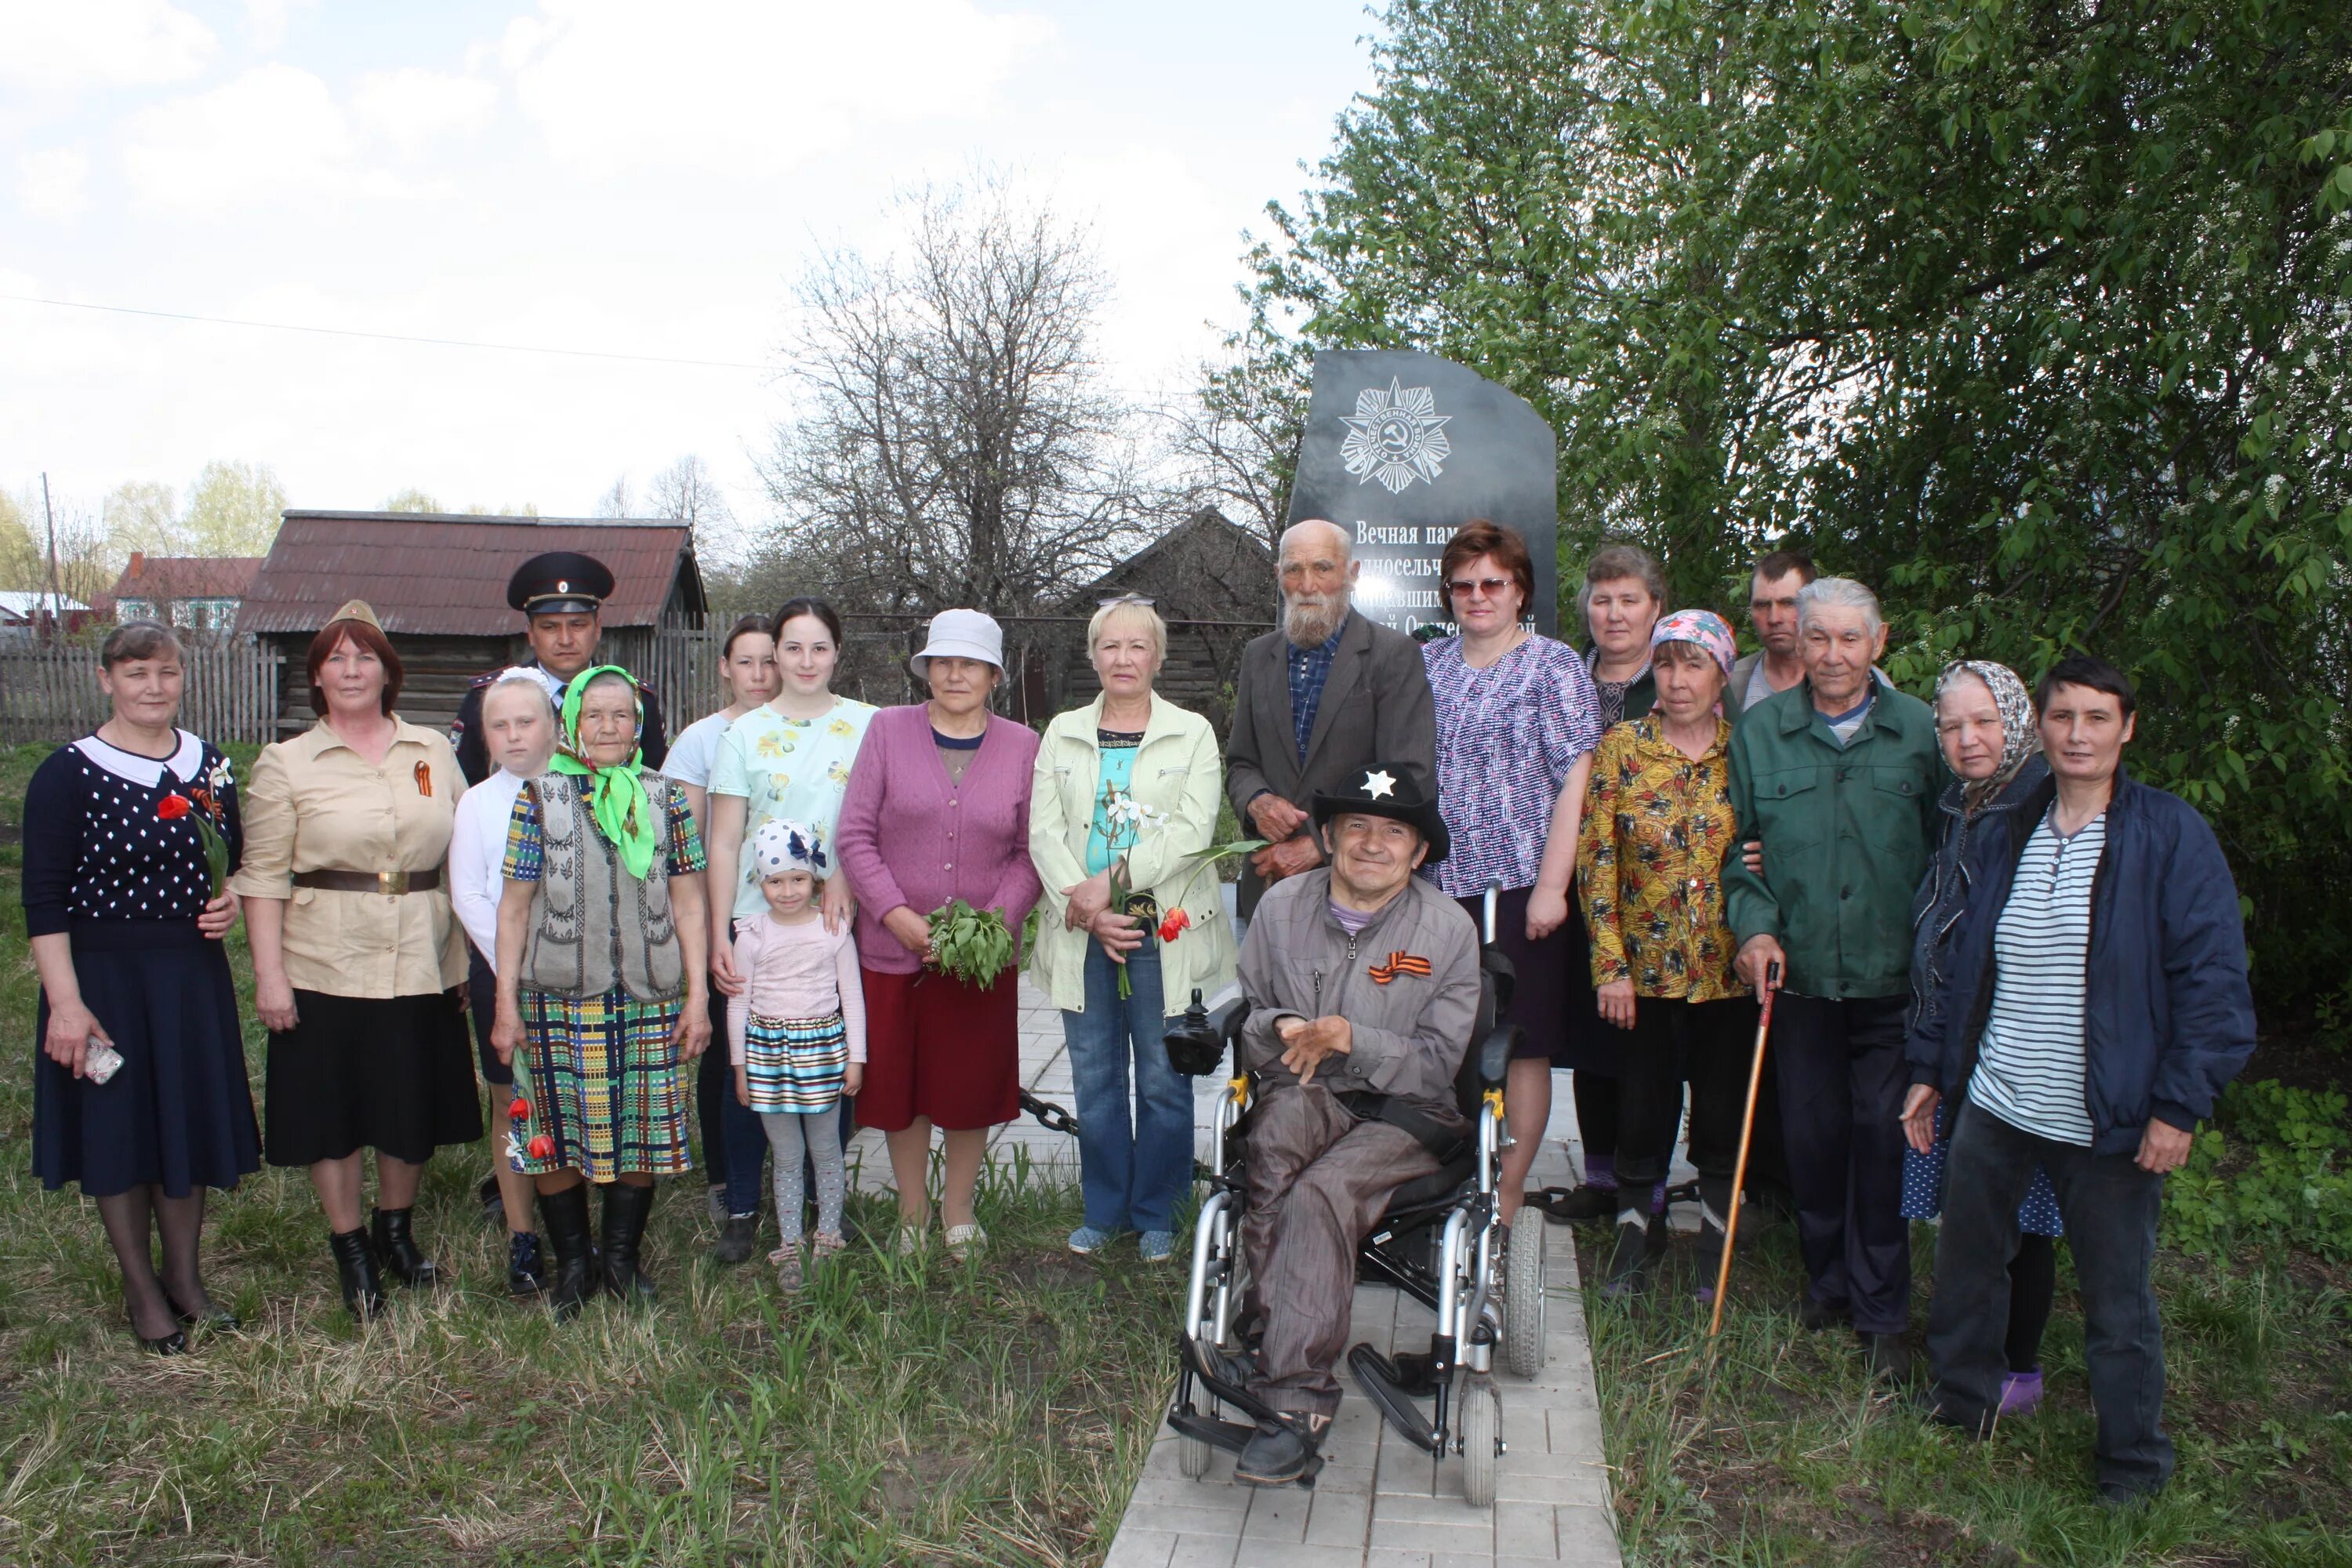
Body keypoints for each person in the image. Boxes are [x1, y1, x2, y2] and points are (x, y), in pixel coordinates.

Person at [1911, 655, 2255, 1505]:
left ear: (2126, 728)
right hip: (1997, 1097)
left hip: (2109, 1116)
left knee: (2118, 1303)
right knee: (1967, 1268)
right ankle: (1963, 1405)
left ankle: (2132, 1464)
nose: (2077, 733)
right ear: (2045, 725)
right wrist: (1932, 1071)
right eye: (2063, 716)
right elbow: (1965, 966)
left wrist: (2179, 1104)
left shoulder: (2168, 835)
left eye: (2097, 718)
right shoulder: (2010, 828)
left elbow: (2214, 984)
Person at [1225, 764, 1481, 1486]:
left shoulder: (1447, 930)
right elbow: (1249, 1015)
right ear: (1330, 836)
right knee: (1273, 1146)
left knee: (1322, 1191)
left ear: (1419, 852)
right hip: (1305, 1086)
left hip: (1407, 1112)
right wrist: (1286, 1025)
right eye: (1358, 828)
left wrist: (1353, 1037)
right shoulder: (1280, 911)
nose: (1373, 845)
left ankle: (1294, 1406)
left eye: (1393, 832)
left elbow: (1437, 1067)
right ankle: (1273, 1333)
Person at [234, 601, 480, 1319]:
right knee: (332, 1113)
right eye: (336, 658)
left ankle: (394, 1232)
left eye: (364, 656)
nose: (351, 669)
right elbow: (262, 877)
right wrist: (270, 977)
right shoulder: (287, 763)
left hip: (421, 957)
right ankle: (350, 1248)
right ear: (315, 675)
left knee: (408, 1105)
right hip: (324, 963)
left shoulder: (432, 750)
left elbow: (465, 851)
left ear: (386, 670)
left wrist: (464, 957)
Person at [1722, 577, 1941, 1378]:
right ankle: (1828, 1284)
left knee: (1881, 1141)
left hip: (1892, 981)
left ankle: (1883, 1311)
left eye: (1851, 639)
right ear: (1798, 643)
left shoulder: (1921, 731)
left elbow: (1948, 851)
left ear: (1878, 643)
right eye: (1820, 638)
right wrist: (1754, 928)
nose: (1834, 654)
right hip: (1801, 976)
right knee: (1812, 1139)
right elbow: (1734, 853)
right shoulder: (1760, 733)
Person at [25, 621, 256, 1352]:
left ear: (182, 677)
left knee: (182, 1121)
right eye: (135, 675)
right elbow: (44, 898)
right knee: (119, 1131)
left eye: (164, 673)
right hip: (105, 980)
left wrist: (233, 903)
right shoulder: (69, 773)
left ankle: (185, 1279)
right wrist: (67, 1003)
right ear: (106, 681)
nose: (152, 688)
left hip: (189, 977)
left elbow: (236, 859)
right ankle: (139, 1288)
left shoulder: (208, 765)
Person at [489, 667, 713, 1318]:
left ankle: (620, 1259)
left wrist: (697, 996)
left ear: (638, 724)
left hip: (650, 996)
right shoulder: (541, 797)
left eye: (621, 715)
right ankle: (574, 1266)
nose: (609, 727)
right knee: (557, 1132)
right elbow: (512, 908)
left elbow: (690, 903)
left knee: (641, 1129)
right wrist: (505, 1004)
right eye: (595, 715)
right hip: (560, 997)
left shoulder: (665, 797)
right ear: (573, 724)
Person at [1028, 597, 1236, 1262]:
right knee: (1093, 1076)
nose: (1123, 659)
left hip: (1161, 930)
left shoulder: (1193, 732)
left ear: (1158, 657)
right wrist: (1088, 908)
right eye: (1110, 646)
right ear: (1092, 656)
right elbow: (1043, 831)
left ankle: (1158, 1213)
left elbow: (1190, 834)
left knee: (1163, 1077)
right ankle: (1105, 1209)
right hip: (1080, 926)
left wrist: (1106, 886)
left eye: (1137, 646)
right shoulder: (1061, 732)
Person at [834, 608, 1041, 1258]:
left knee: (967, 1085)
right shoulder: (888, 731)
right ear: (927, 669)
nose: (956, 674)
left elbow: (1033, 851)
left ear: (993, 675)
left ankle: (959, 1210)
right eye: (944, 662)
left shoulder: (1023, 747)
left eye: (971, 663)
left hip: (979, 959)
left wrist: (990, 927)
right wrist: (899, 918)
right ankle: (912, 1213)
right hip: (893, 952)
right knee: (903, 1086)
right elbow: (854, 835)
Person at [1419, 521, 1599, 1225]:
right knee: (1451, 1034)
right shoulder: (1430, 665)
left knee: (1520, 1039)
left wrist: (1554, 886)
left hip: (1523, 884)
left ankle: (1512, 1186)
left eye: (1492, 582)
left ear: (1519, 589)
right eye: (1463, 585)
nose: (1477, 596)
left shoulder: (1553, 667)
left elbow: (1575, 780)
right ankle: (1453, 1170)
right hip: (1440, 883)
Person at [1897, 661, 2061, 1414]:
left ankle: (2016, 1368)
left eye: (1984, 722)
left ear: (2017, 721)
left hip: (2010, 1043)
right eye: (1952, 726)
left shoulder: (2037, 806)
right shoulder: (1963, 803)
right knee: (1977, 1214)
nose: (1968, 740)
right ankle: (1975, 1357)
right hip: (1956, 1036)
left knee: (2022, 1215)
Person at [1580, 610, 1755, 1296]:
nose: (1679, 681)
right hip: (1643, 974)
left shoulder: (1744, 753)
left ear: (1721, 676)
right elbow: (1595, 862)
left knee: (1720, 1105)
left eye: (1695, 665)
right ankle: (1634, 1229)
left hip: (1728, 972)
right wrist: (1610, 967)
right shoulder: (1622, 748)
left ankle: (1715, 1234)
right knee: (1642, 1105)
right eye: (1667, 664)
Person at [705, 598, 878, 1261]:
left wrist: (848, 876)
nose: (806, 662)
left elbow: (877, 817)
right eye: (793, 648)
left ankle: (821, 1204)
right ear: (773, 653)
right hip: (758, 922)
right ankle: (746, 1206)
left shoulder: (870, 726)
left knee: (833, 1056)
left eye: (820, 648)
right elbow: (724, 843)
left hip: (837, 917)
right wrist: (722, 932)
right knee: (749, 1065)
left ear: (838, 653)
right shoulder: (743, 735)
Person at [1224, 518, 1436, 920]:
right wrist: (1257, 802)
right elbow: (1240, 764)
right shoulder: (1258, 656)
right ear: (1279, 576)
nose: (1307, 585)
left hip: (1360, 890)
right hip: (1270, 887)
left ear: (1351, 574)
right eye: (1294, 570)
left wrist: (1322, 846)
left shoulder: (1393, 655)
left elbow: (1410, 779)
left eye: (1323, 567)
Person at [1544, 542, 1668, 1224]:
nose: (1614, 614)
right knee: (1591, 1030)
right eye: (1601, 599)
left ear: (1655, 608)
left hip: (1653, 885)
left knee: (1640, 1035)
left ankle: (1641, 1182)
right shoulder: (1566, 674)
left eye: (1629, 600)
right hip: (1572, 877)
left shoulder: (1680, 676)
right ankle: (1598, 1179)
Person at [662, 614, 782, 1258]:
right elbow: (692, 843)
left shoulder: (804, 730)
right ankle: (726, 1180)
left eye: (771, 661)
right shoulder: (702, 740)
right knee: (725, 1055)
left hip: (800, 914)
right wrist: (711, 928)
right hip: (728, 910)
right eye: (748, 662)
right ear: (726, 668)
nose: (760, 675)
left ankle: (796, 1173)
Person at [448, 669, 561, 1297]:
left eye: (526, 721)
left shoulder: (580, 789)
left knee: (571, 1099)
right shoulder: (478, 803)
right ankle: (523, 1234)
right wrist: (519, 966)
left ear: (552, 724)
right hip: (504, 976)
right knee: (514, 1105)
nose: (515, 736)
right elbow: (467, 894)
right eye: (500, 725)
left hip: (582, 979)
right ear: (485, 735)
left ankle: (573, 1228)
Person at [727, 818, 865, 1293]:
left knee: (826, 1150)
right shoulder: (751, 936)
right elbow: (739, 1003)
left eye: (798, 879)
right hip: (767, 1058)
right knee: (786, 1155)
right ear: (759, 882)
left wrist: (856, 1058)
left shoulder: (833, 931)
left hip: (822, 1054)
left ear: (816, 879)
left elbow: (852, 994)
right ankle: (791, 1245)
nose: (787, 891)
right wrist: (740, 1068)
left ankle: (827, 1236)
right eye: (775, 880)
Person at [450, 550, 668, 785]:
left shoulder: (634, 698)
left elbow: (654, 780)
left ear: (597, 629)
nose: (565, 639)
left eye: (577, 625)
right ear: (531, 634)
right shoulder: (492, 696)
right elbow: (465, 781)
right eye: (550, 627)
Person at [1729, 550, 1818, 713]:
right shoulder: (1731, 683)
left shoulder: (1851, 681)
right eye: (1762, 605)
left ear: (1813, 606)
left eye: (1788, 603)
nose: (1774, 618)